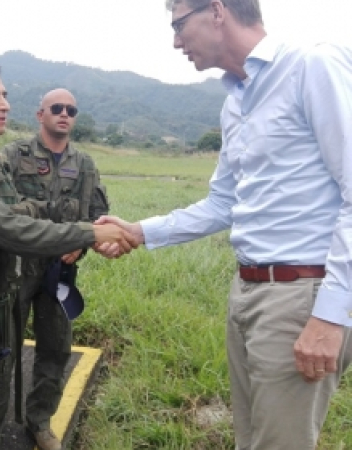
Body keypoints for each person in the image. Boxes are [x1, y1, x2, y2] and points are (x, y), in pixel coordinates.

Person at [96, 1, 352, 448]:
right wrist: (140, 231)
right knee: (250, 439)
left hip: (300, 294)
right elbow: (223, 203)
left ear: (216, 10)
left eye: (178, 25)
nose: (176, 41)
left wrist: (331, 317)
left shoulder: (311, 64)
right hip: (247, 292)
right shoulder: (236, 103)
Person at [0, 62, 136, 450]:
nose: (4, 104)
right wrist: (89, 231)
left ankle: (29, 425)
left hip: (0, 290)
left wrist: (85, 237)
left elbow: (21, 210)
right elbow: (9, 228)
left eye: (4, 95)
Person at [0, 88, 109, 450]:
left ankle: (39, 422)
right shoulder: (14, 155)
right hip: (17, 267)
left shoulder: (86, 164)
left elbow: (97, 215)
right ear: (40, 114)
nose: (64, 114)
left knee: (56, 348)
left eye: (71, 110)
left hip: (58, 272)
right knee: (2, 347)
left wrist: (82, 244)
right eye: (57, 108)